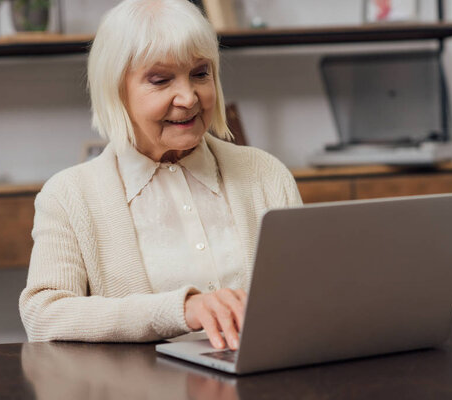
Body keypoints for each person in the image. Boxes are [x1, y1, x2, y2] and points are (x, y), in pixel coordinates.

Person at [19, 0, 302, 351]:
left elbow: (309, 295)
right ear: (117, 90)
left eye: (200, 73)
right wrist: (181, 310)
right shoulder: (67, 195)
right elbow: (43, 315)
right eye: (160, 79)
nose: (188, 97)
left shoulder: (266, 174)